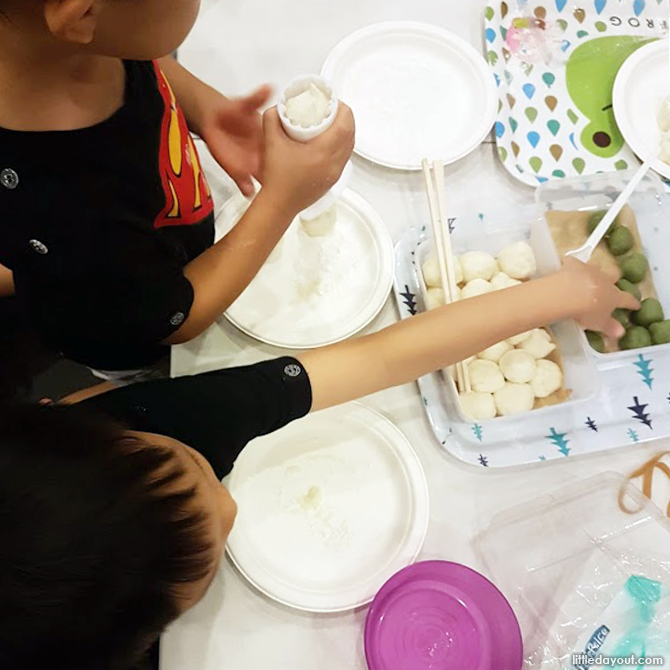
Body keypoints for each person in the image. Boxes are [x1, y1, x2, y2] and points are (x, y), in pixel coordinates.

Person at [0, 258, 637, 670]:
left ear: (63, 411)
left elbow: (383, 357)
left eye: (196, 471)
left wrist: (557, 294)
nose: (230, 504)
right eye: (207, 551)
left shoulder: (152, 423)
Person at [0, 0, 354, 376]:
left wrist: (204, 108)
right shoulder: (71, 210)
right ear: (83, 13)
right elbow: (175, 317)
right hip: (131, 329)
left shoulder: (66, 42)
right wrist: (281, 202)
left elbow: (135, 48)